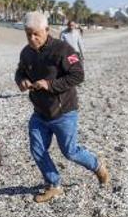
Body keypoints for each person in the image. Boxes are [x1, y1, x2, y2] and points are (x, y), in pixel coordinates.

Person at [15, 11, 109, 203]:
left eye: (36, 34)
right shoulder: (26, 53)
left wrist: (49, 85)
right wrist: (22, 80)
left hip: (64, 112)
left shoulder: (63, 49)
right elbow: (19, 72)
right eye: (28, 34)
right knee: (37, 149)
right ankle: (54, 185)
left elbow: (78, 75)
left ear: (47, 30)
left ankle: (97, 165)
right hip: (40, 113)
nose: (32, 38)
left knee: (70, 151)